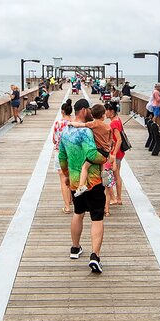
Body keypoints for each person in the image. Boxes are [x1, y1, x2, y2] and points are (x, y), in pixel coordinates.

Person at [58, 99, 107, 273]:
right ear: (84, 110)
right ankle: (95, 256)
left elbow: (61, 158)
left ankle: (75, 248)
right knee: (97, 217)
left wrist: (66, 176)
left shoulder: (65, 132)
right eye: (89, 110)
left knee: (78, 213)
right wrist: (105, 157)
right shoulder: (86, 131)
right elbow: (92, 154)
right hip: (92, 182)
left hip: (74, 181)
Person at [69, 103, 113, 202]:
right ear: (103, 115)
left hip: (98, 152)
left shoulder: (93, 124)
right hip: (106, 153)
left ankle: (81, 186)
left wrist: (71, 123)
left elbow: (80, 125)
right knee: (102, 167)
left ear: (92, 115)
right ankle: (105, 182)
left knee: (85, 167)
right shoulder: (108, 127)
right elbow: (111, 141)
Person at [53, 99, 74, 214]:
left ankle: (67, 206)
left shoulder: (58, 123)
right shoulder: (75, 123)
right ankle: (71, 199)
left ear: (62, 111)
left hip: (60, 154)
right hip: (72, 154)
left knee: (63, 179)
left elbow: (54, 139)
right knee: (71, 177)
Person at [105, 101, 125, 206]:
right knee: (117, 174)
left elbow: (119, 140)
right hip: (119, 152)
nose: (105, 112)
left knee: (114, 174)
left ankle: (116, 198)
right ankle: (118, 198)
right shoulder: (118, 120)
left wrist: (114, 154)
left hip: (115, 152)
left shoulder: (113, 123)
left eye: (106, 110)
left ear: (111, 111)